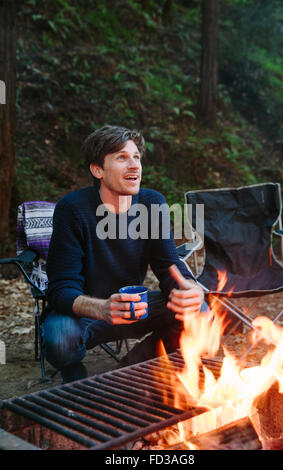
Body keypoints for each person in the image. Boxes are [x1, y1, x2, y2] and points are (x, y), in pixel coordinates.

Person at [42, 125, 206, 383]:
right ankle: (73, 381)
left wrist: (191, 289)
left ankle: (129, 369)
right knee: (59, 339)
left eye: (136, 157)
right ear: (97, 170)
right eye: (121, 157)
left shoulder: (152, 203)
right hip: (85, 314)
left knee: (201, 312)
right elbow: (60, 288)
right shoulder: (72, 210)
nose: (134, 165)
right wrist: (102, 308)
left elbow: (169, 266)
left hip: (134, 307)